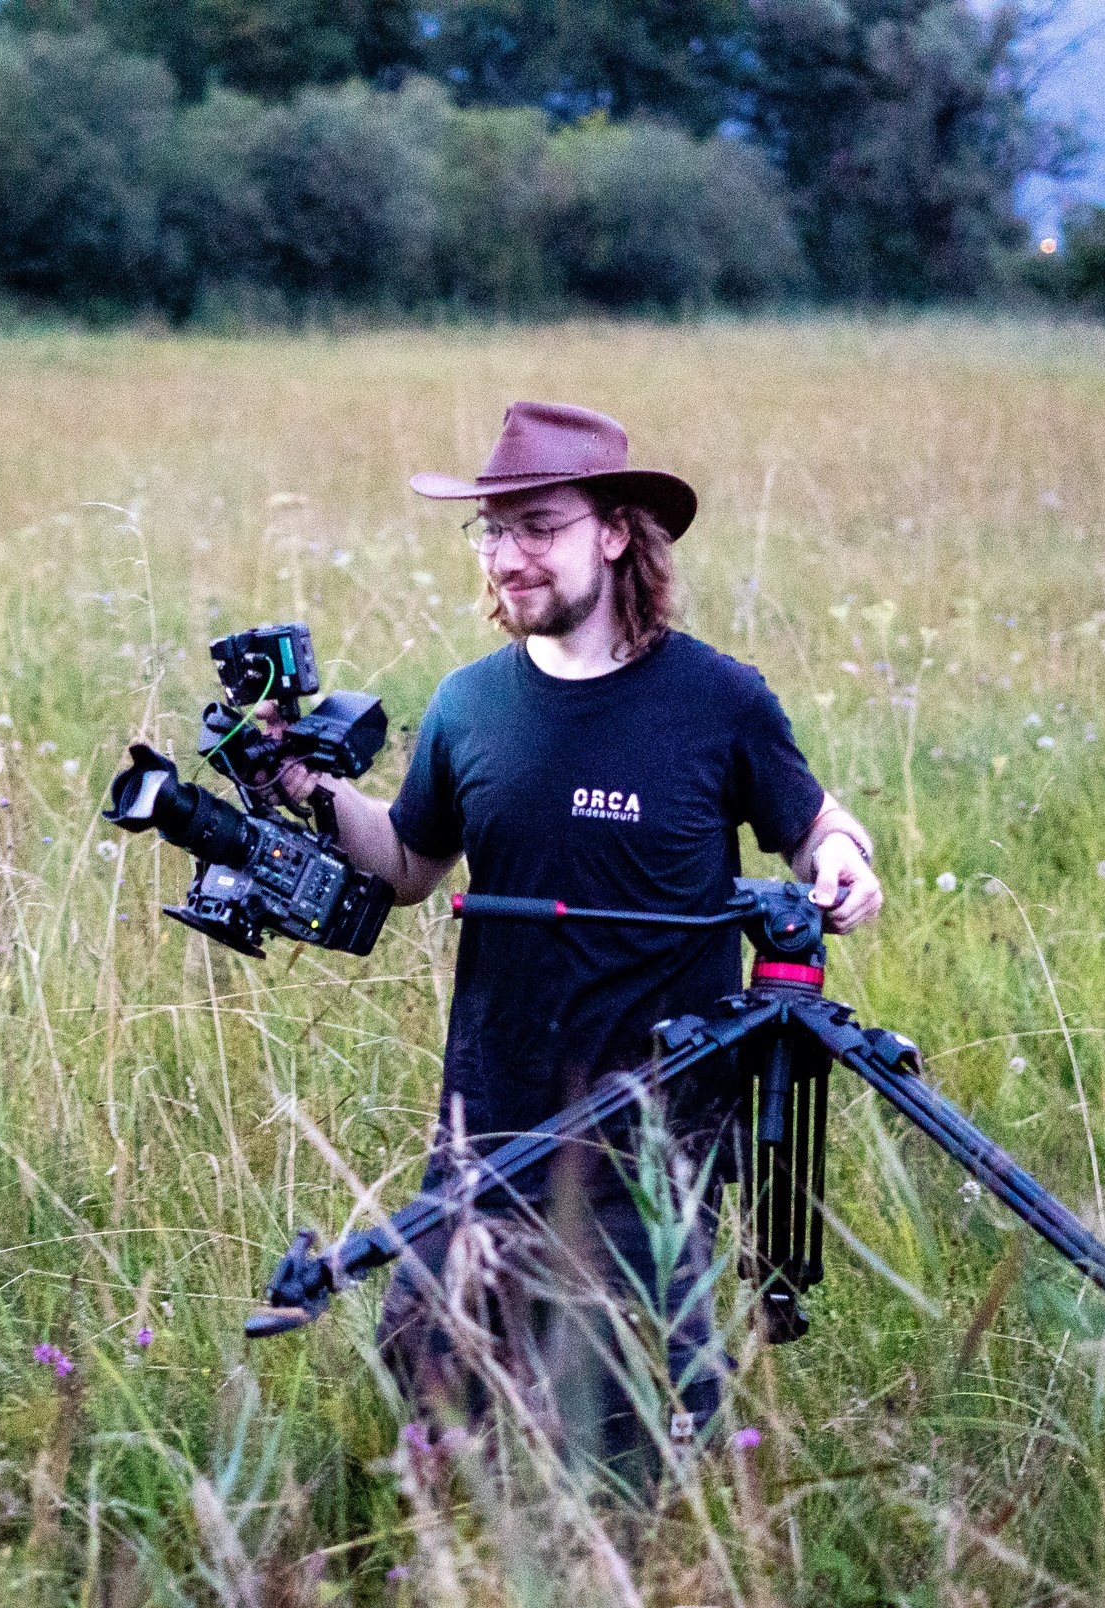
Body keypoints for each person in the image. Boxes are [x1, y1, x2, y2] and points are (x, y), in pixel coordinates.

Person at [271, 400, 884, 1473]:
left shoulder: (718, 699)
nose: (508, 556)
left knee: (629, 1438)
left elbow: (814, 825)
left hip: (656, 1132)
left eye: (538, 526)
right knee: (430, 1376)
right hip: (490, 1118)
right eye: (492, 530)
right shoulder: (469, 705)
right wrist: (308, 788)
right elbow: (407, 865)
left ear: (613, 533)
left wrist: (843, 858)